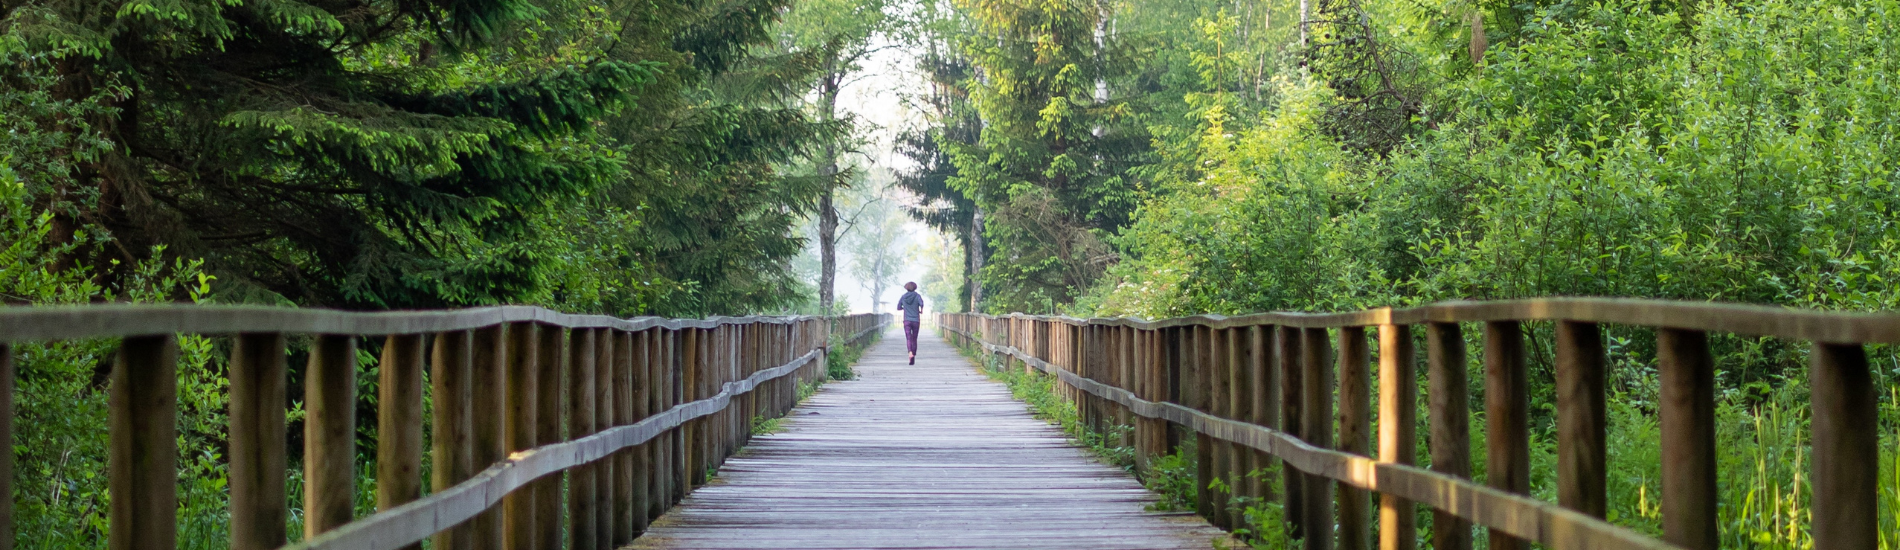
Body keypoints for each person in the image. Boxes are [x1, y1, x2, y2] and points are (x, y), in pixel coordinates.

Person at [896, 282, 925, 364]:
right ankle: (914, 354)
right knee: (914, 338)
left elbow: (898, 307)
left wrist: (904, 307)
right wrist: (921, 310)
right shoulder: (917, 296)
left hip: (907, 320)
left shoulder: (903, 297)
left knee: (908, 338)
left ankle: (910, 353)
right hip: (916, 320)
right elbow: (921, 303)